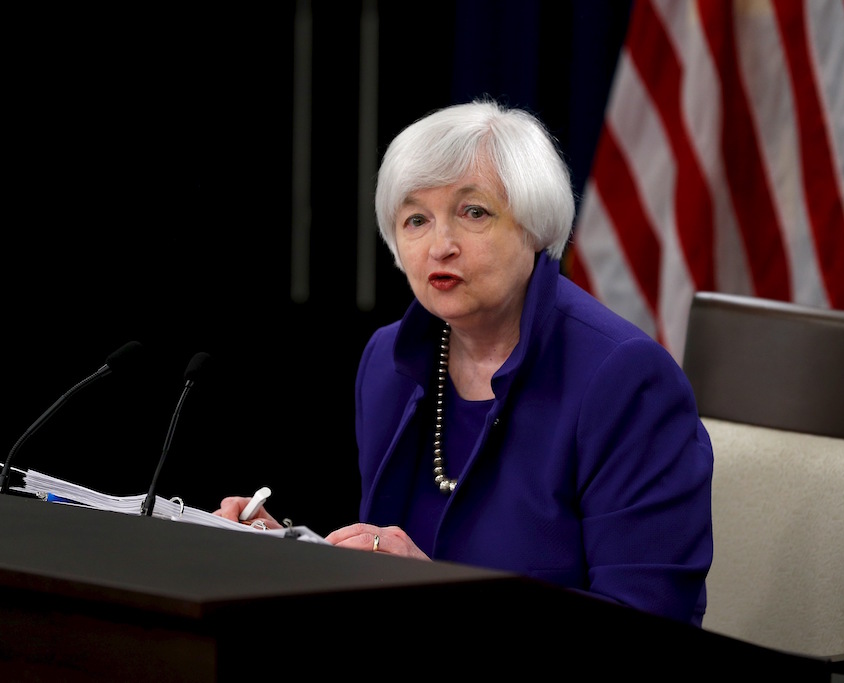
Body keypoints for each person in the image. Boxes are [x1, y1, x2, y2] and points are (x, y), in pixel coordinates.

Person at [214, 98, 714, 627]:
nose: (440, 245)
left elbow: (654, 628)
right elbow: (385, 573)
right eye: (415, 220)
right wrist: (288, 555)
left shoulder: (626, 379)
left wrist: (436, 592)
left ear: (535, 226)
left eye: (473, 212)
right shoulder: (389, 360)